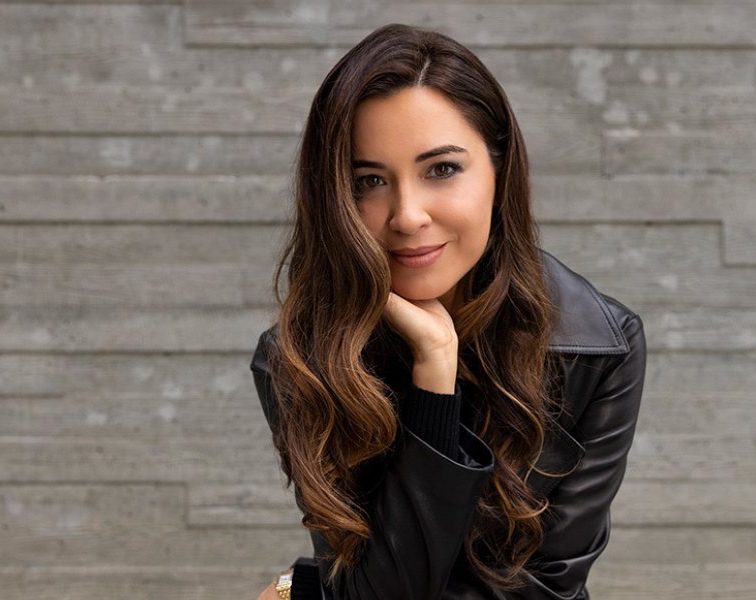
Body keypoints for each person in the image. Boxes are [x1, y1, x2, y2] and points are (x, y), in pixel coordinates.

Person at [250, 23, 646, 600]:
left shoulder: (599, 348)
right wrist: (435, 372)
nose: (407, 216)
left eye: (441, 169)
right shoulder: (301, 361)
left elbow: (542, 591)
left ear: (499, 171)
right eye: (368, 181)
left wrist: (305, 591)